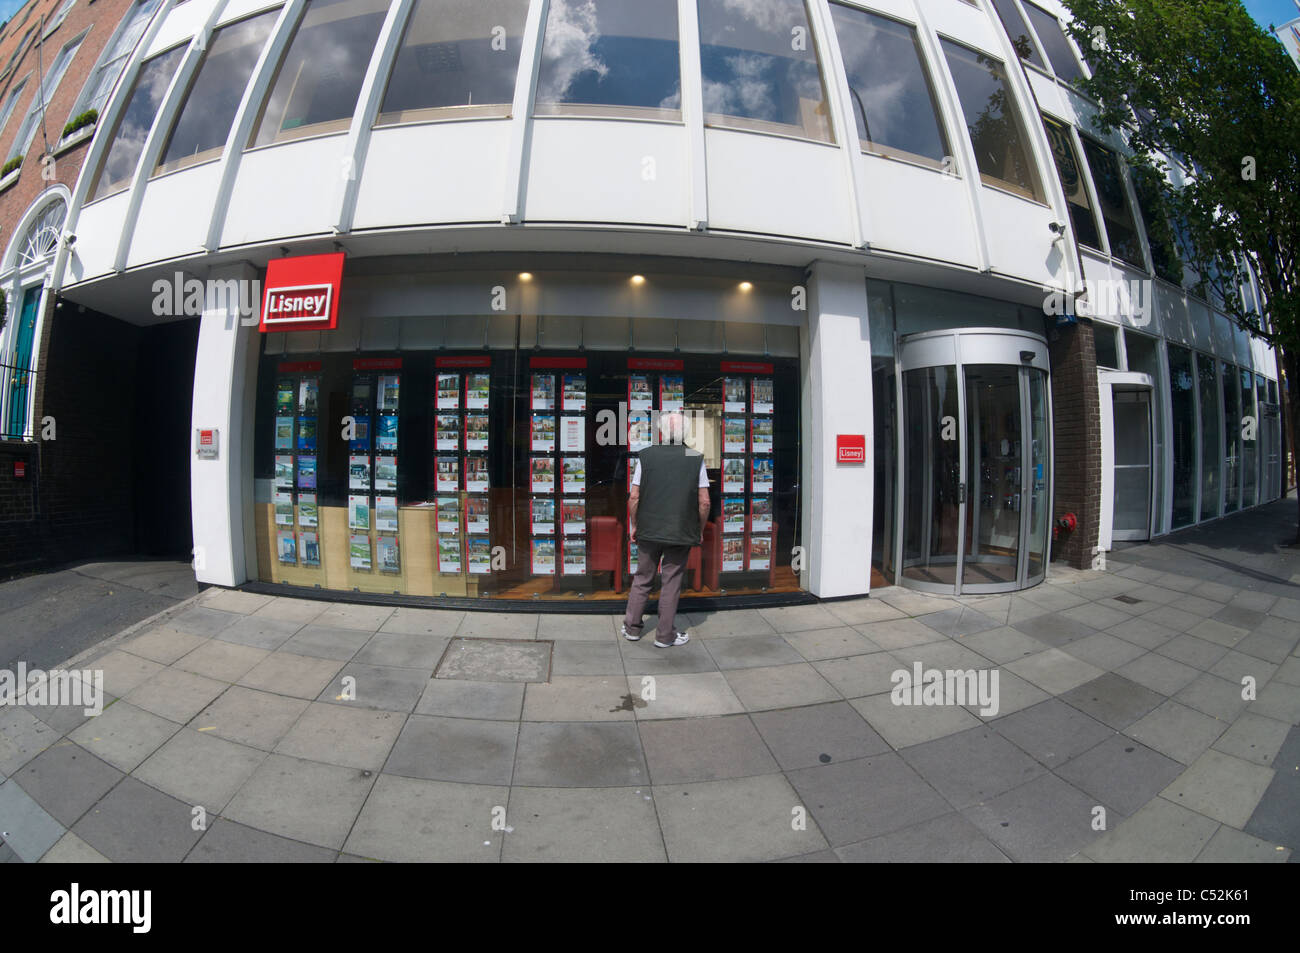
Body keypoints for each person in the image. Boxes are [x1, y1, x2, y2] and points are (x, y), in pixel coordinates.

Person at [623, 411, 711, 647]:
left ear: (661, 431)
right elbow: (704, 502)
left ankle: (632, 628)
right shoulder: (695, 457)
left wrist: (634, 524)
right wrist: (699, 530)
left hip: (649, 529)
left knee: (643, 578)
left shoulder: (647, 455)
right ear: (685, 432)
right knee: (671, 582)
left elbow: (634, 496)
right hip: (681, 531)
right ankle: (665, 635)